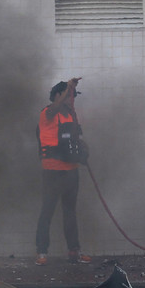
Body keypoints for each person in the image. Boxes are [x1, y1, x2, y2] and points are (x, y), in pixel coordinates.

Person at [35, 77, 93, 265]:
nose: (71, 99)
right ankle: (41, 252)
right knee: (47, 212)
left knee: (70, 213)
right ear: (58, 95)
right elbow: (56, 106)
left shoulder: (70, 115)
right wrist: (67, 88)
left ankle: (74, 251)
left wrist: (83, 151)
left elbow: (76, 137)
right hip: (52, 171)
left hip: (71, 171)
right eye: (68, 95)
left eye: (72, 96)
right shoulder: (47, 113)